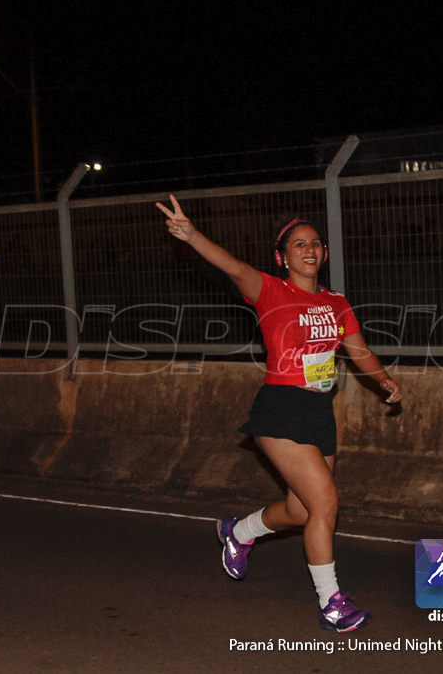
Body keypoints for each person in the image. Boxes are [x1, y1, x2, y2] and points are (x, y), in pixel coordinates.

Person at [156, 195, 401, 632]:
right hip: (280, 408)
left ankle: (239, 532)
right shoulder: (270, 289)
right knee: (326, 501)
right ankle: (331, 603)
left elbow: (358, 350)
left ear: (323, 253)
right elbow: (232, 266)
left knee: (304, 511)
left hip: (318, 412)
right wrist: (191, 235)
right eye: (298, 245)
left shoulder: (337, 303)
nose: (309, 250)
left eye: (315, 243)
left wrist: (382, 379)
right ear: (282, 256)